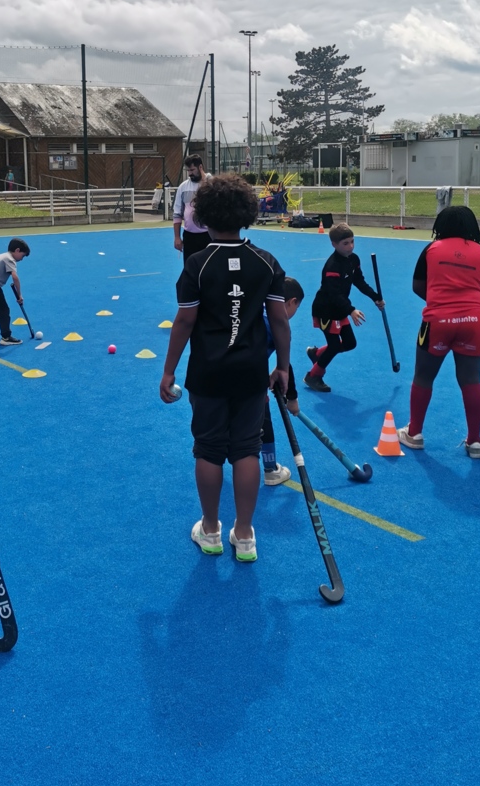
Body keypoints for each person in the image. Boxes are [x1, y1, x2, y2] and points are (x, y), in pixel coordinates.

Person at [159, 173, 293, 564]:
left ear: (205, 215)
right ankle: (246, 535)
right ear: (247, 213)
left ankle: (212, 529)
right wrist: (283, 367)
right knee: (246, 451)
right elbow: (280, 321)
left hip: (208, 373)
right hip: (251, 371)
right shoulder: (266, 262)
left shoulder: (198, 264)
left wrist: (168, 371)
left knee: (209, 449)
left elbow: (185, 322)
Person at [397, 205, 480, 457]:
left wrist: (439, 301)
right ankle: (475, 442)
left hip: (437, 321)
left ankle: (415, 433)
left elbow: (417, 285)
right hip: (472, 321)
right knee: (471, 380)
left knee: (423, 376)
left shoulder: (431, 249)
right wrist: (479, 328)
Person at [304, 223, 384, 393]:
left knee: (349, 343)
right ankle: (313, 376)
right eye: (345, 243)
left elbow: (359, 281)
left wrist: (375, 297)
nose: (351, 246)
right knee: (333, 346)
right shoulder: (332, 266)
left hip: (339, 308)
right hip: (326, 310)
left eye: (352, 241)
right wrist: (351, 310)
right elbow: (334, 295)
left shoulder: (353, 260)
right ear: (334, 244)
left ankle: (317, 354)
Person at [261, 277, 304, 484]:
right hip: (249, 376)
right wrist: (292, 399)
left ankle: (213, 455)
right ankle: (270, 469)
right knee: (262, 415)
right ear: (291, 302)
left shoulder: (253, 309)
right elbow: (285, 366)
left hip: (219, 371)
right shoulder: (280, 324)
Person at [0, 237, 30, 345]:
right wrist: (19, 295)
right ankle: (6, 337)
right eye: (22, 255)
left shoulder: (1, 255)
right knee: (4, 311)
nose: (21, 259)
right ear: (17, 250)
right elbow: (15, 277)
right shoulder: (10, 259)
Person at [172, 154, 211, 261]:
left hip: (210, 235)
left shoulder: (212, 184)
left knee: (210, 269)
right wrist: (177, 237)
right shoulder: (183, 187)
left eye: (192, 170)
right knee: (190, 269)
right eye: (188, 170)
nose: (190, 173)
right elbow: (177, 214)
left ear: (200, 167)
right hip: (190, 237)